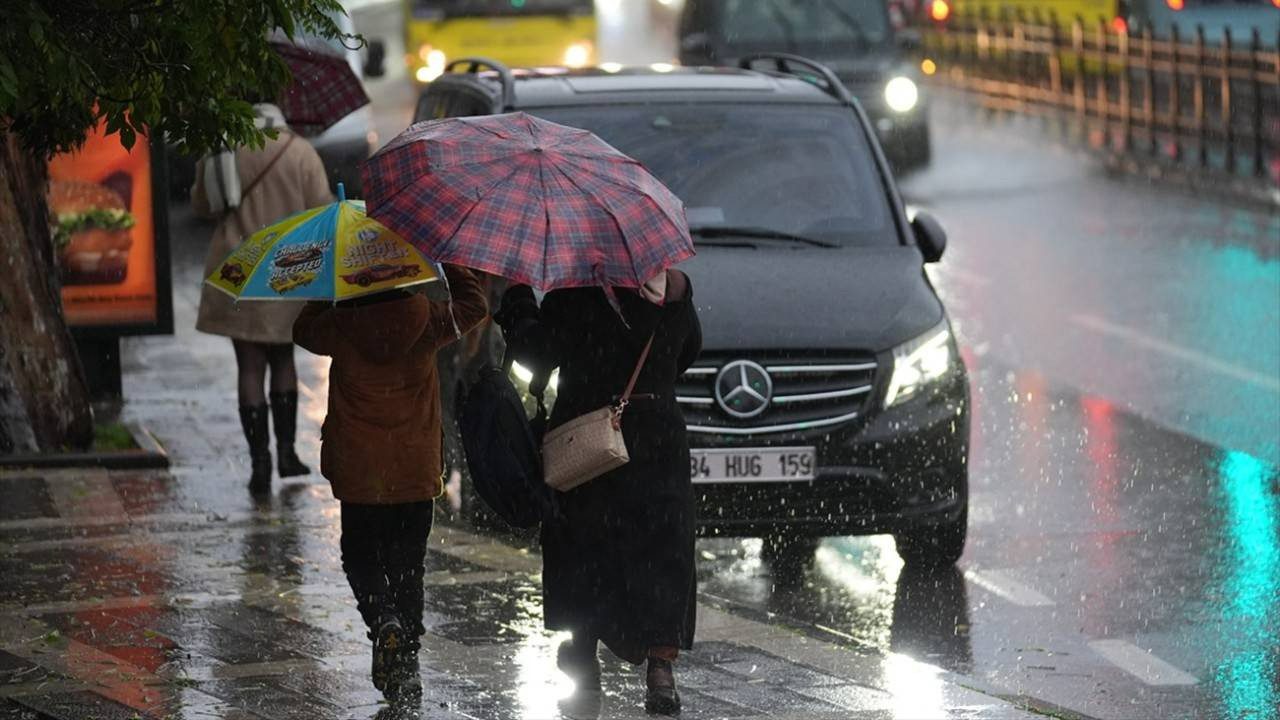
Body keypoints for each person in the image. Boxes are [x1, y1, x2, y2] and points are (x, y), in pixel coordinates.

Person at [495, 269, 701, 716]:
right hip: (658, 440)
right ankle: (660, 670)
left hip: (588, 436)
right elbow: (687, 351)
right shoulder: (676, 290)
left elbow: (537, 353)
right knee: (661, 546)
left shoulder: (577, 293)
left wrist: (518, 302)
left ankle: (583, 658)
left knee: (584, 547)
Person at [292, 266, 488, 702]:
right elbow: (475, 307)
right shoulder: (430, 319)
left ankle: (383, 619)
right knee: (408, 566)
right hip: (415, 468)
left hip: (362, 470)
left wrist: (330, 282)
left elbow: (302, 329)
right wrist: (448, 261)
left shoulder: (340, 325)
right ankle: (407, 669)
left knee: (360, 556)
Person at [193, 102, 333, 493]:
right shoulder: (300, 151)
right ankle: (288, 452)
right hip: (288, 269)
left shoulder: (225, 146)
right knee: (284, 358)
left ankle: (260, 462)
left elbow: (202, 204)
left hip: (238, 269)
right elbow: (322, 210)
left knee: (249, 366)